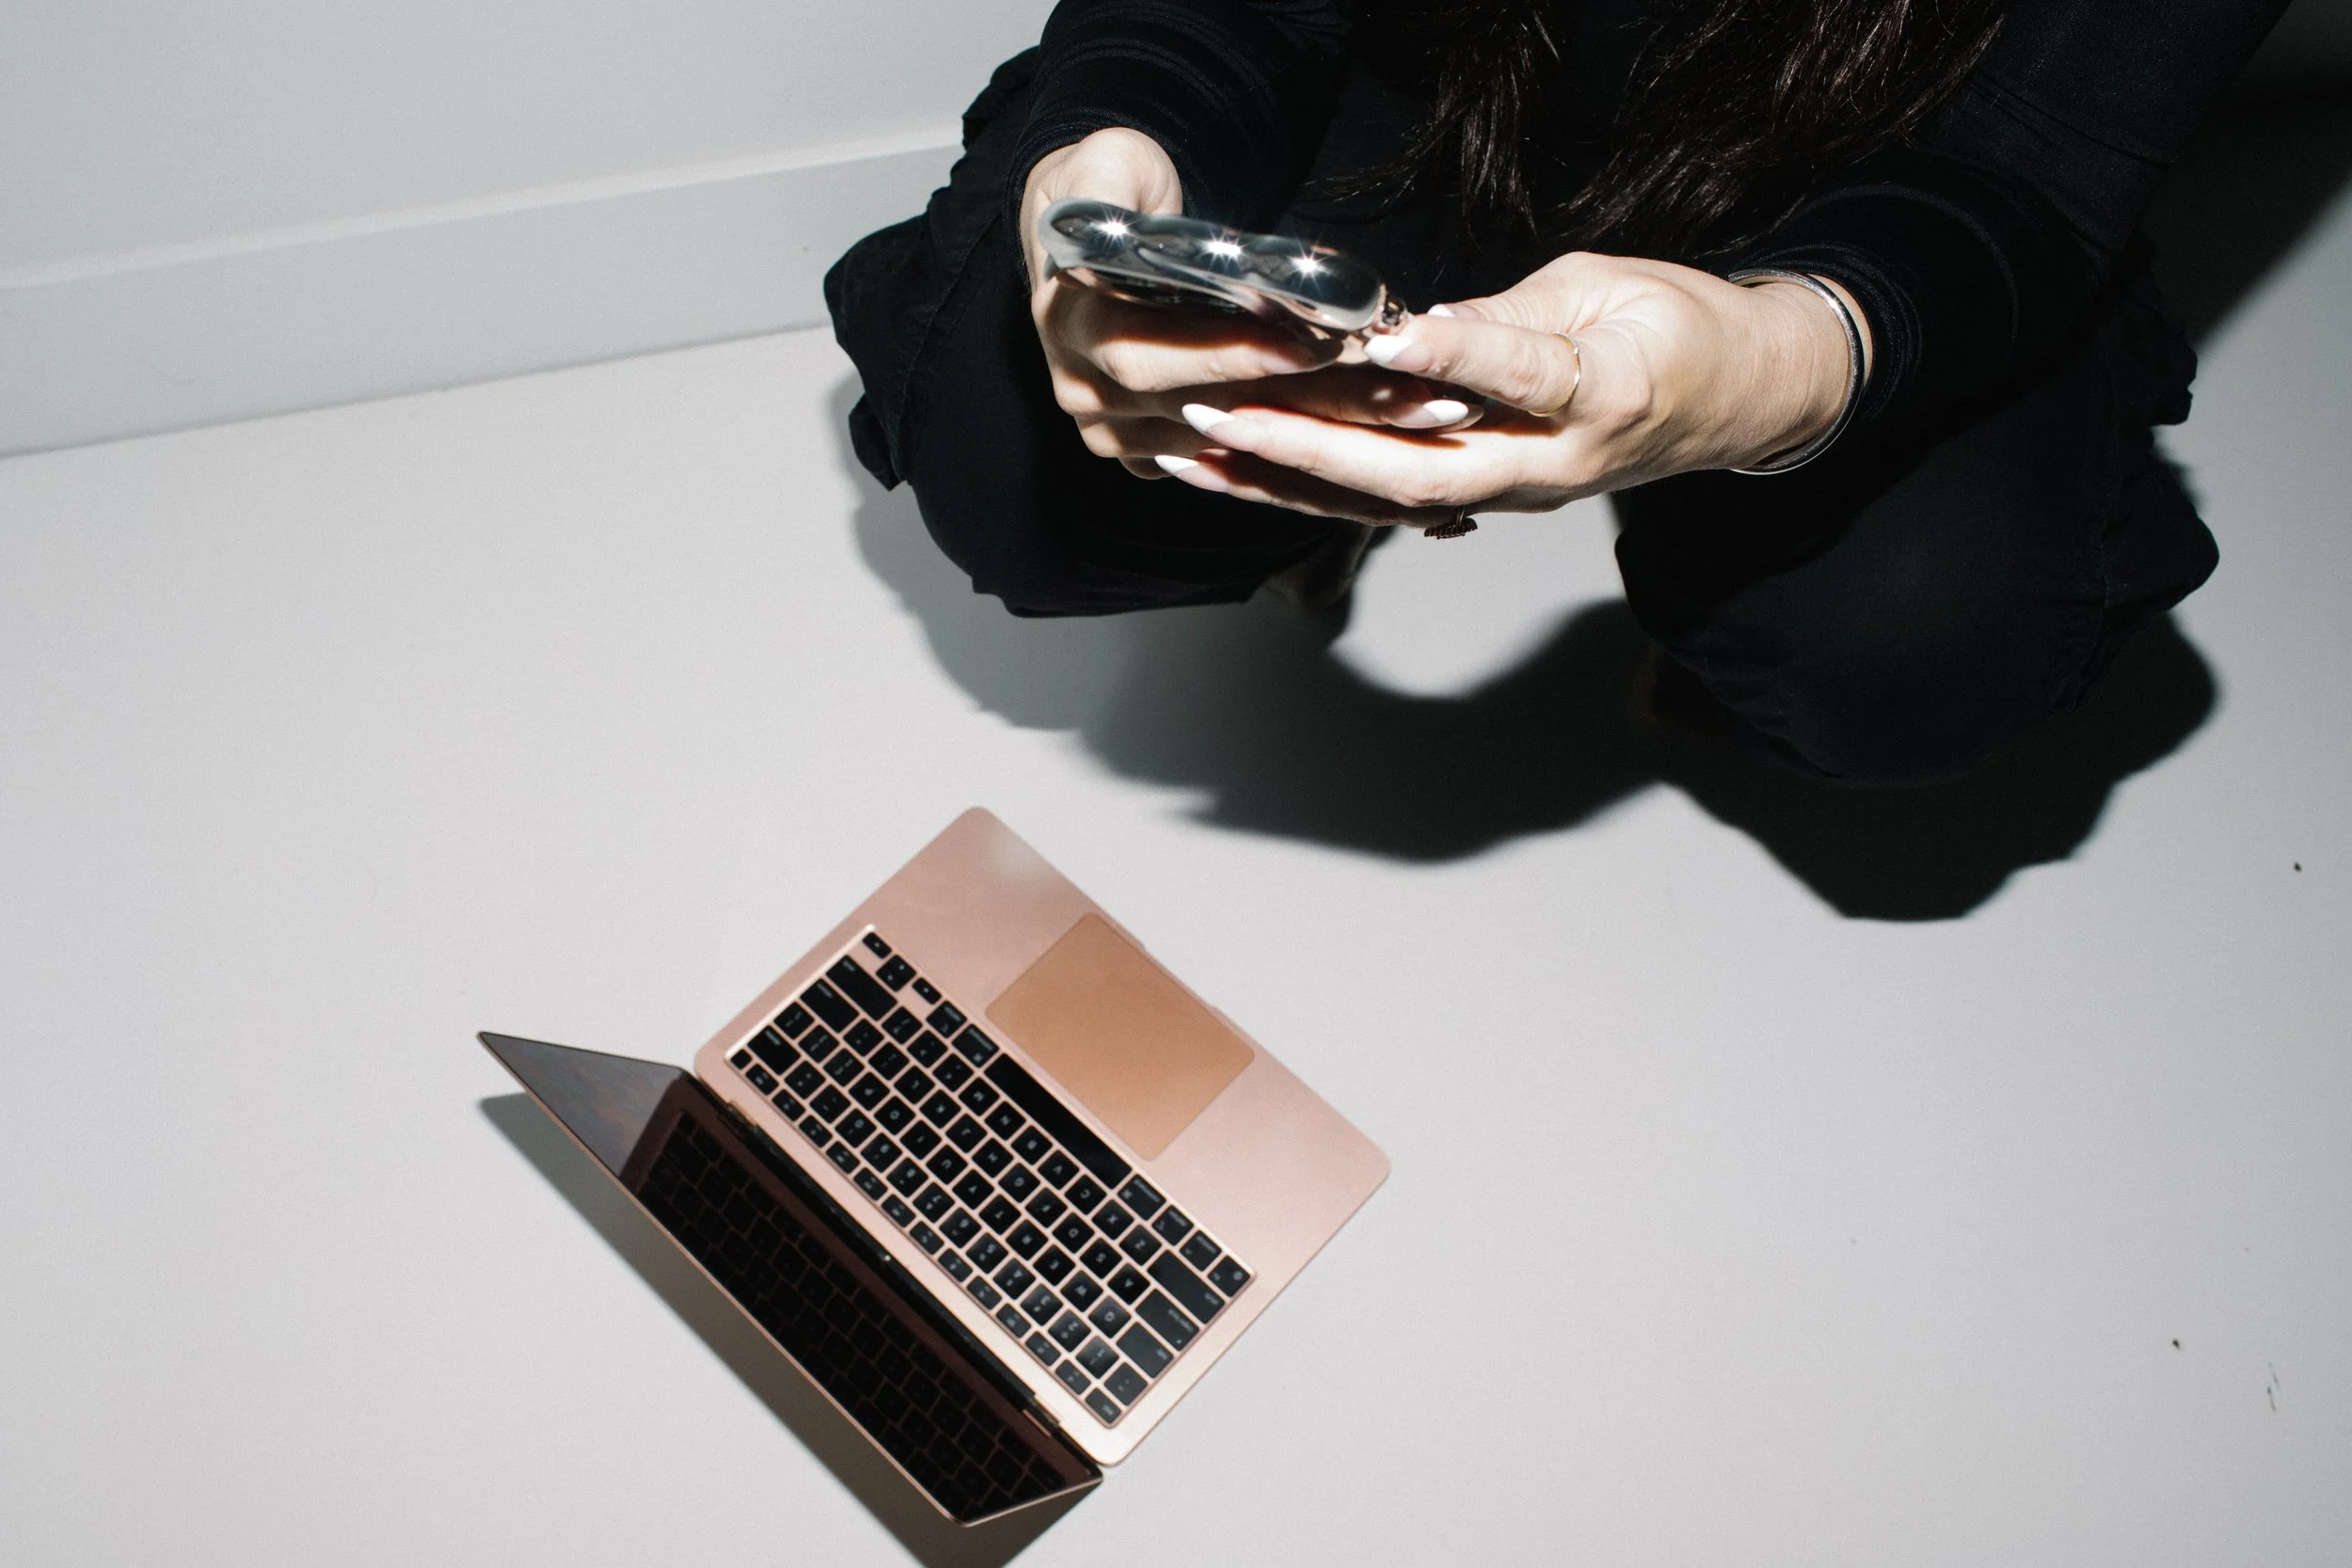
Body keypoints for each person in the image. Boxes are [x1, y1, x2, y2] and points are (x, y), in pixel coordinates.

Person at [827, 0, 2288, 785]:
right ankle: (1328, 502)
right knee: (1013, 441)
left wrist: (1777, 374)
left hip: (1894, 174)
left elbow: (2027, 170)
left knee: (1915, 639)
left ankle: (1723, 565)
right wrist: (1109, 142)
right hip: (1443, 75)